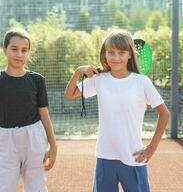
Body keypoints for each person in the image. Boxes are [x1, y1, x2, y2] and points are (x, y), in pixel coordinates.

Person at [64, 29, 169, 192]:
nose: (116, 57)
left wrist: (152, 147)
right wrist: (79, 71)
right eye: (111, 52)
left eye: (121, 52)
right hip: (105, 156)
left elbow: (164, 114)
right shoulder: (99, 79)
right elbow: (69, 94)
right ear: (104, 54)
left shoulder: (141, 82)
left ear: (129, 55)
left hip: (133, 156)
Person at [0, 28, 57, 192]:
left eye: (24, 50)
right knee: (2, 188)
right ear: (4, 49)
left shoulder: (37, 80)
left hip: (34, 137)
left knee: (37, 187)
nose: (19, 54)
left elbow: (44, 114)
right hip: (7, 139)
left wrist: (53, 146)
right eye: (14, 49)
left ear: (29, 53)